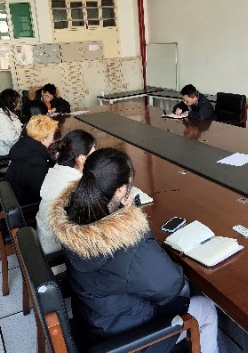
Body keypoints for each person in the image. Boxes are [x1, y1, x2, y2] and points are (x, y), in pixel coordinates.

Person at [48, 148, 218, 352]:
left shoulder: (72, 215)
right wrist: (135, 225)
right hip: (127, 338)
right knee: (205, 307)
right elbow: (171, 285)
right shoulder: (125, 245)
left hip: (97, 319)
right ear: (120, 190)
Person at [36, 129, 97, 255]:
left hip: (46, 238)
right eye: (93, 154)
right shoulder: (73, 185)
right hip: (58, 249)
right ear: (81, 159)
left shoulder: (58, 169)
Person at [5, 115, 58, 206]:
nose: (53, 141)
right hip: (29, 206)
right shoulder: (35, 163)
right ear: (42, 140)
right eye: (52, 137)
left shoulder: (23, 146)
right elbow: (45, 194)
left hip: (18, 194)